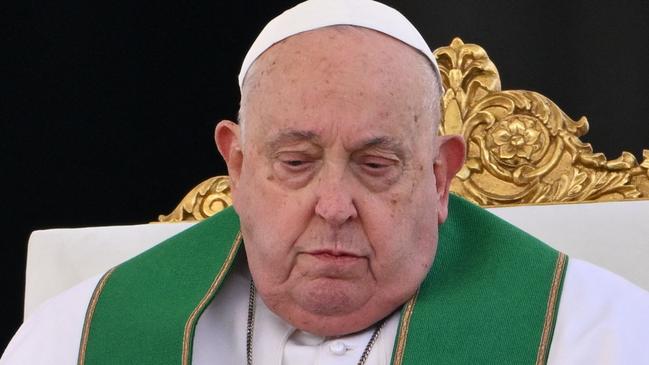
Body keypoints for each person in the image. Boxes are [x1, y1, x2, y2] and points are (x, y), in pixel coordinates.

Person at [3, 0, 649, 364]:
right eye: (295, 161)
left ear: (438, 175)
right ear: (237, 164)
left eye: (375, 165)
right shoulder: (75, 340)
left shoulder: (596, 334)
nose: (334, 207)